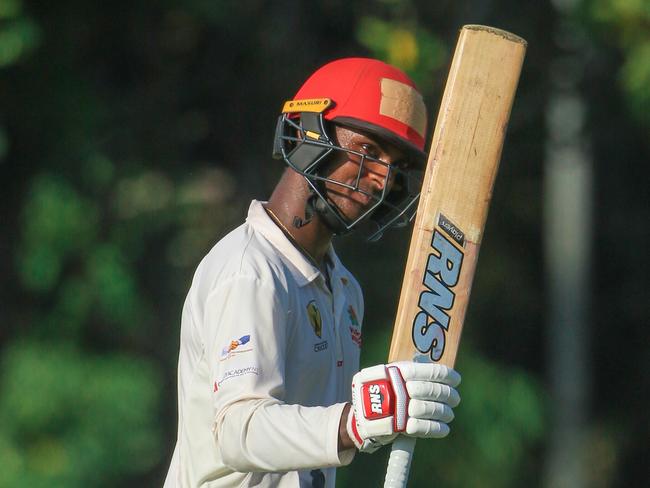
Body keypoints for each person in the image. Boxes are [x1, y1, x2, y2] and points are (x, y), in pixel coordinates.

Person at [164, 57, 461, 488]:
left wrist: (391, 412)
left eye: (396, 167)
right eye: (369, 152)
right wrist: (357, 420)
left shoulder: (345, 289)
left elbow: (310, 453)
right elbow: (237, 431)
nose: (381, 180)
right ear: (311, 134)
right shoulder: (251, 271)